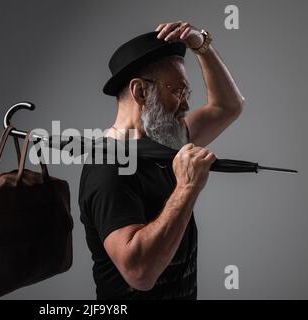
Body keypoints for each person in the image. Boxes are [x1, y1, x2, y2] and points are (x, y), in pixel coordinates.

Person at [78, 21, 245, 299]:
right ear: (141, 92)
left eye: (186, 92)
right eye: (178, 91)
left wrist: (201, 45)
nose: (187, 104)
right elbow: (140, 273)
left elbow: (228, 106)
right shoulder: (107, 169)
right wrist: (186, 188)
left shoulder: (167, 138)